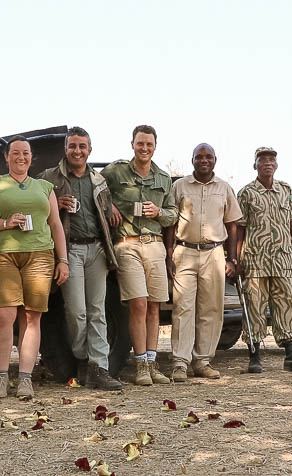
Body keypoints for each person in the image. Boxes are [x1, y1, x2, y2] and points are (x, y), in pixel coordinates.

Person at [0, 135, 69, 401]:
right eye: (15, 153)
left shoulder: (44, 187)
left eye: (25, 153)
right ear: (6, 157)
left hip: (40, 255)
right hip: (4, 254)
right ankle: (1, 377)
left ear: (31, 157)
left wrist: (63, 260)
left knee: (32, 316)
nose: (21, 157)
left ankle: (25, 378)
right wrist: (5, 223)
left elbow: (56, 225)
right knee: (3, 316)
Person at [39, 127, 122, 391]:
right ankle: (83, 357)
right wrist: (54, 204)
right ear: (65, 148)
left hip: (96, 249)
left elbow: (106, 212)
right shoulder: (49, 178)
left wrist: (112, 211)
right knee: (77, 312)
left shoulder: (98, 180)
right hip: (69, 250)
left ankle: (98, 367)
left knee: (98, 311)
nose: (77, 151)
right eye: (73, 146)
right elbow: (34, 209)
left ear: (89, 150)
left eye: (82, 146)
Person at [101, 125, 177, 386]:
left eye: (149, 144)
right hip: (127, 244)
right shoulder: (116, 170)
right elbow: (94, 184)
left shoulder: (164, 178)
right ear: (132, 144)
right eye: (140, 143)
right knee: (139, 303)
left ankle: (152, 364)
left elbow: (173, 214)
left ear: (155, 146)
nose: (144, 148)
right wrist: (108, 204)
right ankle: (140, 364)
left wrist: (158, 212)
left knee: (155, 305)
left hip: (154, 243)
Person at [164, 144, 242, 382]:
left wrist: (233, 258)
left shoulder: (224, 188)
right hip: (184, 251)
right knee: (182, 308)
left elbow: (233, 224)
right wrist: (169, 253)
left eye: (208, 157)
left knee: (211, 309)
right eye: (199, 157)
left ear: (215, 160)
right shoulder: (179, 186)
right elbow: (169, 222)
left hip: (214, 253)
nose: (204, 160)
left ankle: (203, 361)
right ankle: (180, 363)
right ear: (192, 160)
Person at [236, 147, 292, 374]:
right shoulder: (246, 193)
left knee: (286, 305)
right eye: (262, 160)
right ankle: (254, 357)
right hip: (254, 260)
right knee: (254, 307)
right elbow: (239, 228)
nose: (268, 163)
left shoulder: (285, 190)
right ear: (255, 165)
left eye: (271, 159)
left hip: (282, 259)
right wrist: (237, 258)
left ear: (276, 165)